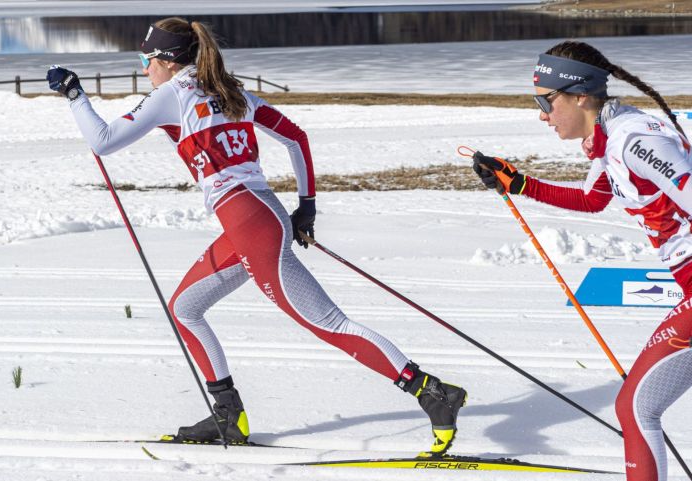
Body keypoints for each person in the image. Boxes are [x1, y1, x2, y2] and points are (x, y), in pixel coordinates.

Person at [47, 17, 466, 455]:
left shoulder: (171, 94)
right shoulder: (232, 91)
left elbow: (104, 141)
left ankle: (432, 393)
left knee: (329, 324)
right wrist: (306, 207)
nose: (144, 68)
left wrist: (75, 95)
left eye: (146, 59)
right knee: (185, 308)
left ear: (168, 62)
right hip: (255, 217)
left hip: (250, 221)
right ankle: (228, 415)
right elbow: (296, 138)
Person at [473, 40, 692, 481]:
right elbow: (594, 200)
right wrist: (518, 184)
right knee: (637, 407)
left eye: (546, 101)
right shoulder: (611, 139)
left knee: (635, 408)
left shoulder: (635, 141)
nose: (542, 114)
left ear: (580, 95)